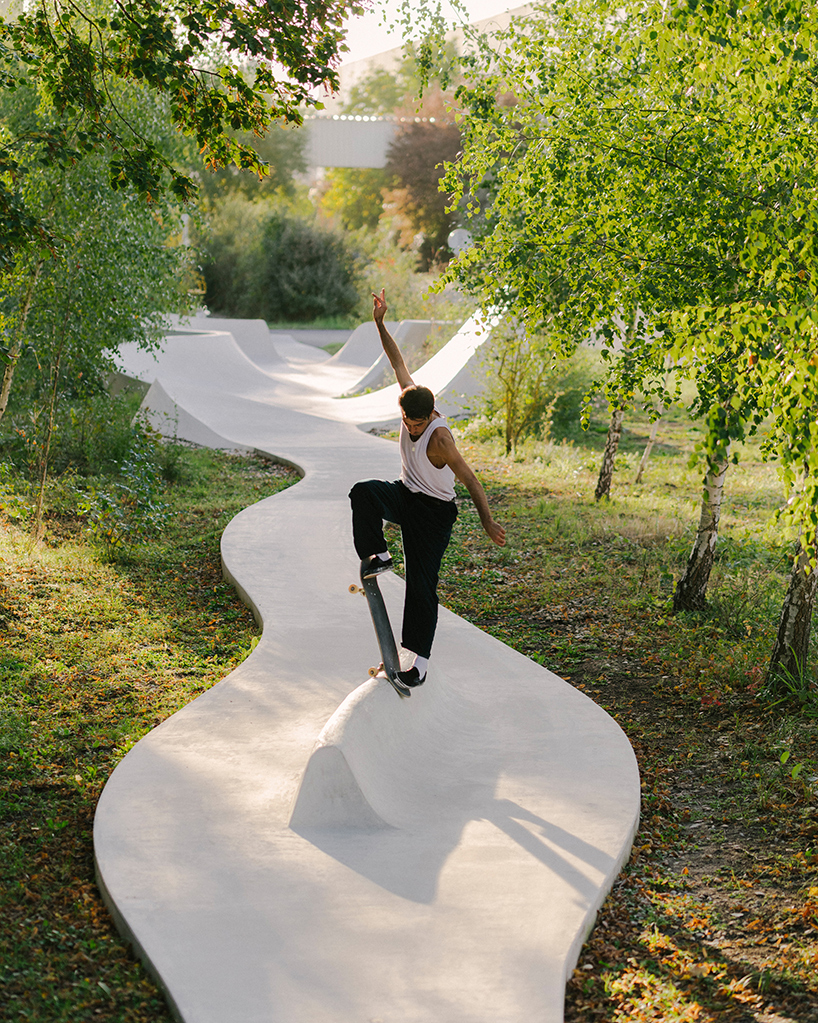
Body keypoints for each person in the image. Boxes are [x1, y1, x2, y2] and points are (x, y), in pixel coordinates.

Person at [349, 289, 506, 688]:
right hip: (406, 496)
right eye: (407, 422)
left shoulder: (440, 439)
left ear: (429, 416)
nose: (411, 429)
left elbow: (470, 480)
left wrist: (487, 521)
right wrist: (381, 322)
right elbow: (397, 359)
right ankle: (378, 553)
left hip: (435, 513)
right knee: (363, 492)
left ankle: (418, 662)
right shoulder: (409, 398)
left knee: (422, 585)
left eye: (417, 424)